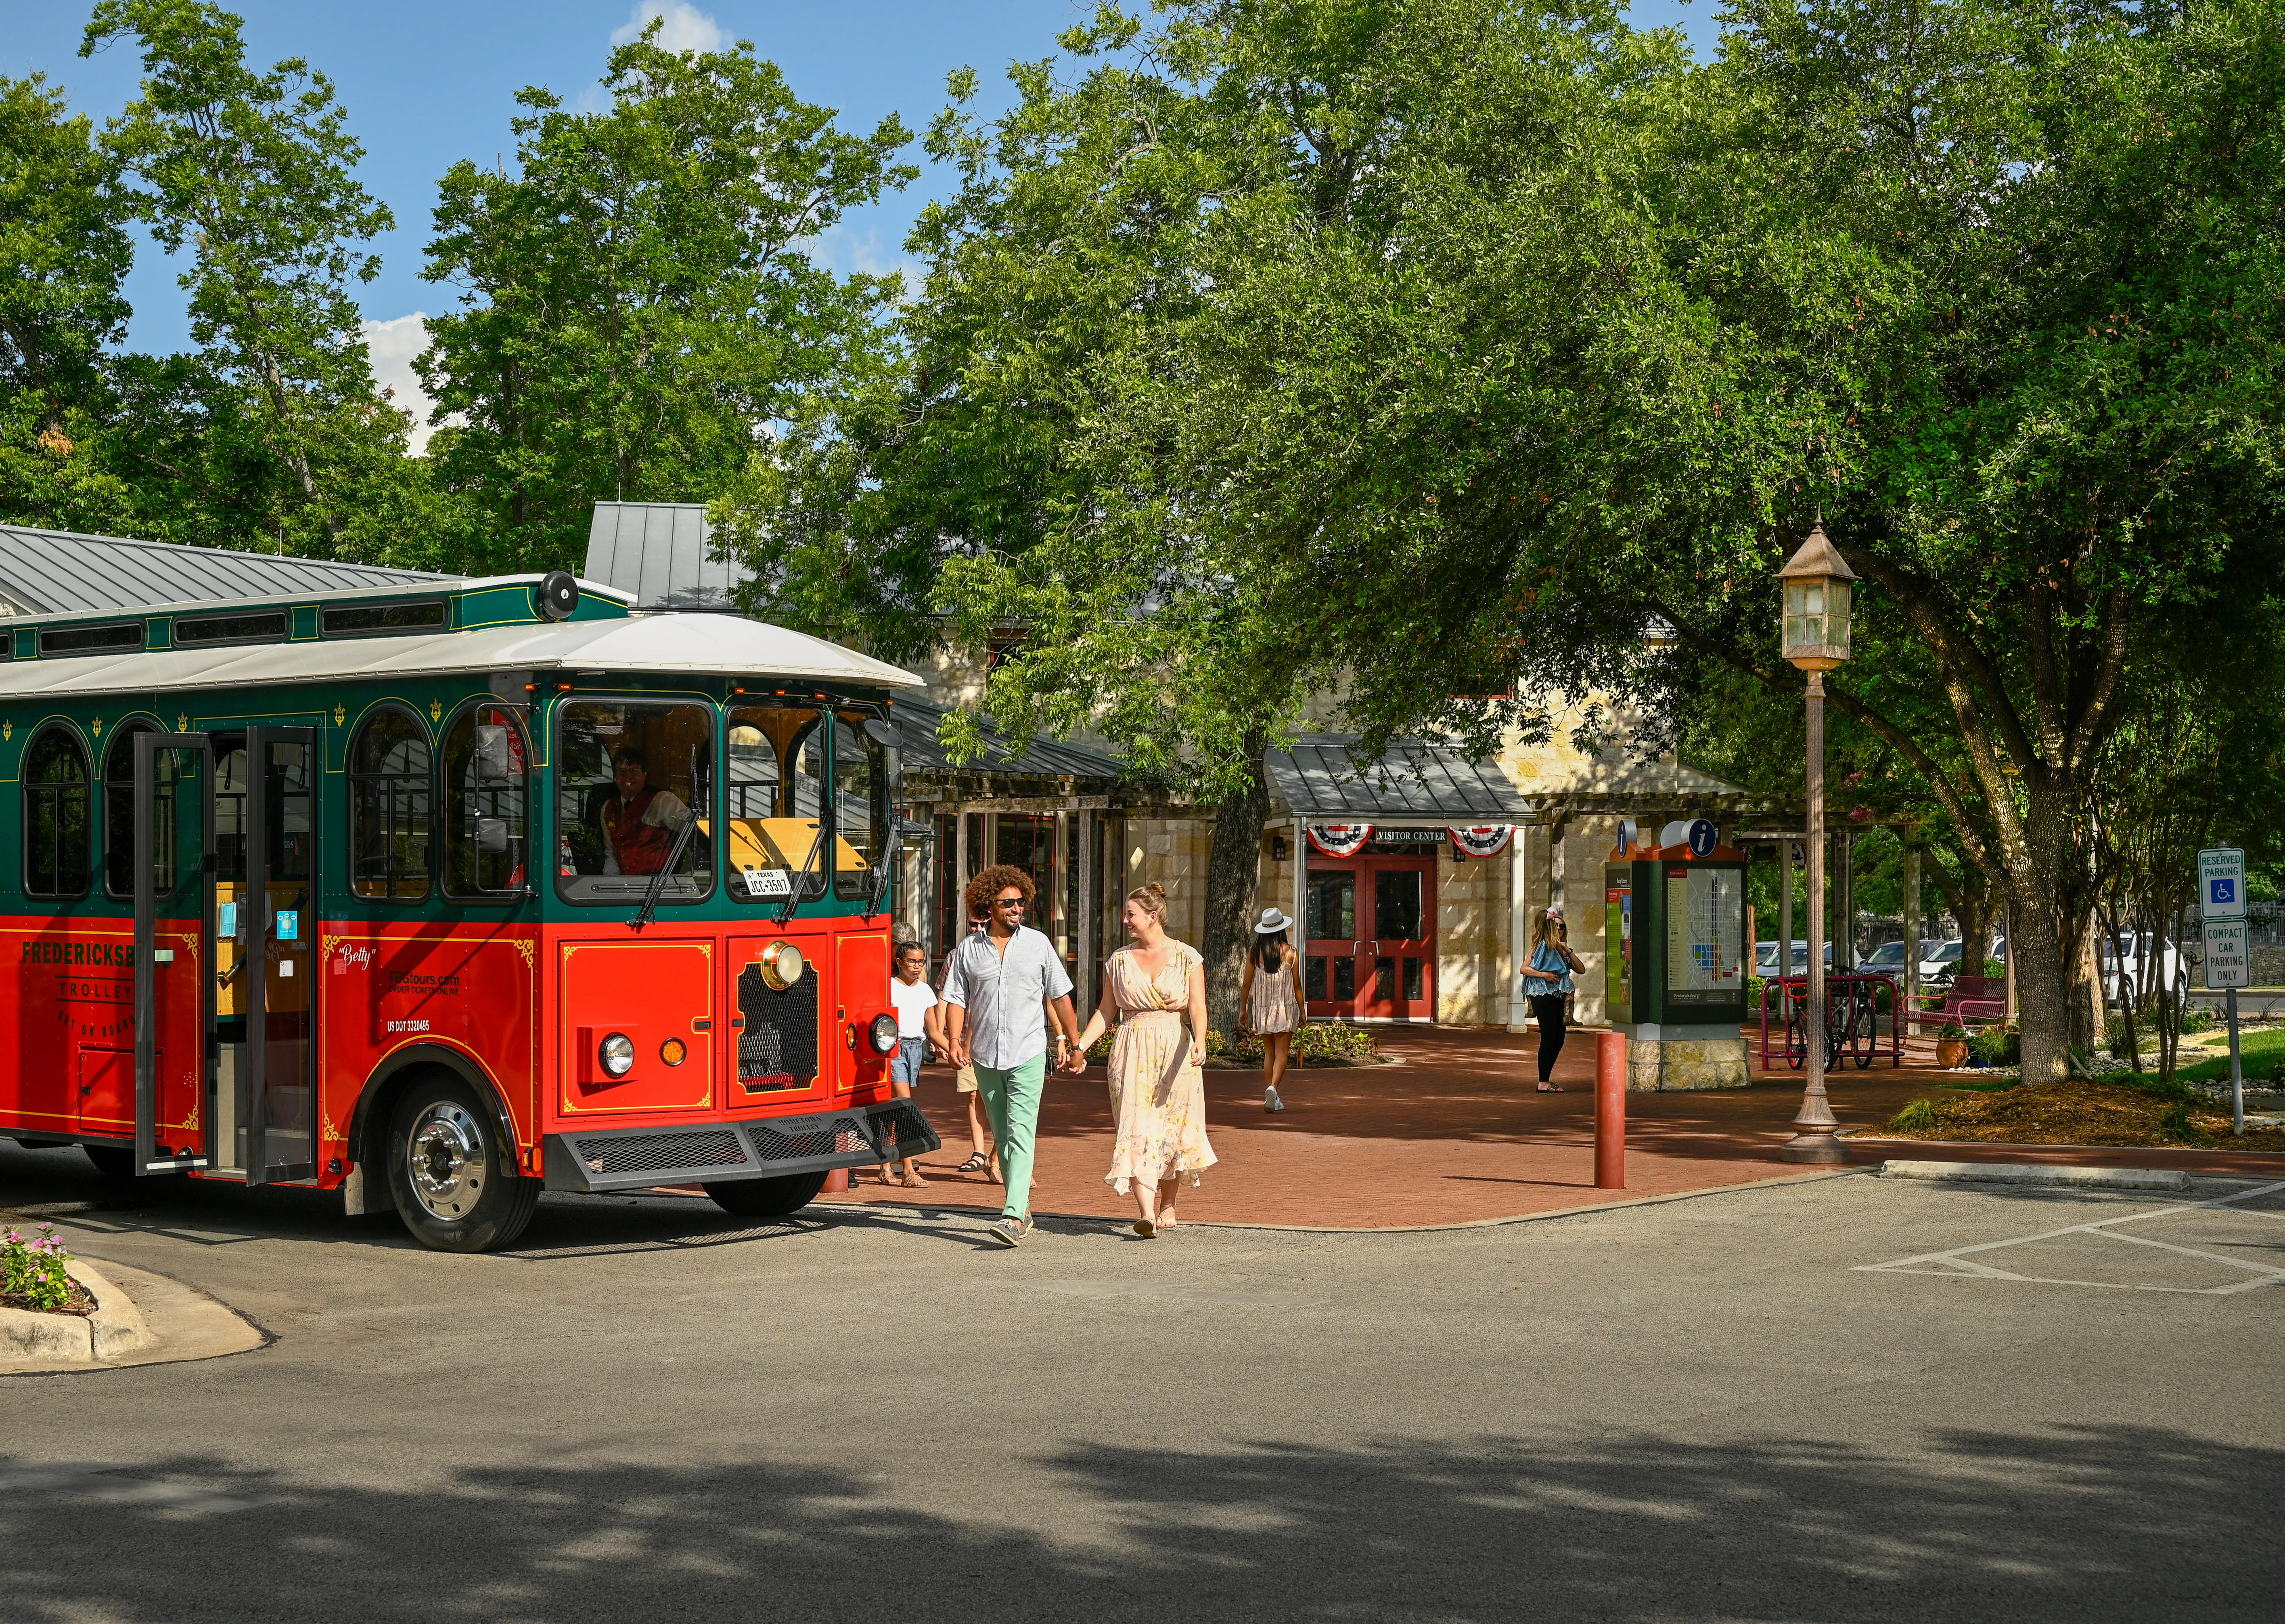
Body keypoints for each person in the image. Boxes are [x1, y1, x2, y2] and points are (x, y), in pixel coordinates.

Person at [942, 864, 1085, 1247]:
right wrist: (954, 1040)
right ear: (989, 906)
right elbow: (956, 998)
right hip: (986, 1055)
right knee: (1003, 1136)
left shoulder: (1038, 944)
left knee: (1021, 1131)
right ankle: (1022, 1207)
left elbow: (1060, 996)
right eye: (1008, 903)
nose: (1017, 908)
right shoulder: (968, 950)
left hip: (1028, 1052)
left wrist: (1075, 1044)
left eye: (1021, 902)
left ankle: (1012, 1216)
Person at [1068, 882, 1217, 1237]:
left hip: (1176, 1049)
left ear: (1153, 917)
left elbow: (1198, 1006)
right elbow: (1106, 1011)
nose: (1126, 921)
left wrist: (1201, 1041)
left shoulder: (1188, 957)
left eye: (1131, 915)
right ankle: (1146, 1213)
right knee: (1135, 1128)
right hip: (1131, 1049)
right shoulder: (1119, 961)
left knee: (1173, 1128)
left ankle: (1168, 1204)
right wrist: (1081, 1046)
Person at [934, 910, 1001, 1183]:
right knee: (974, 1095)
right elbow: (945, 996)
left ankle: (998, 1157)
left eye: (984, 924)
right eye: (974, 924)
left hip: (997, 1036)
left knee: (1002, 1099)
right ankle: (979, 1153)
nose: (978, 929)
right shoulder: (956, 955)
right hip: (963, 1038)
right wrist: (940, 1035)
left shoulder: (1003, 952)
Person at [877, 940, 933, 1188]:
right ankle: (909, 1170)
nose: (917, 966)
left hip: (915, 1049)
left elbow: (933, 1030)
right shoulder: (888, 987)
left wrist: (952, 1048)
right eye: (912, 961)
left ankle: (885, 1166)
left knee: (895, 1111)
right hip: (894, 1047)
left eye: (921, 962)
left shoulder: (926, 991)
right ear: (899, 962)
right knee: (905, 1105)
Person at [1238, 906, 1305, 1113]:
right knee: (1282, 1053)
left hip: (1263, 1010)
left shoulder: (1255, 952)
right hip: (1285, 1009)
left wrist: (1243, 1010)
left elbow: (1246, 984)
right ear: (1281, 928)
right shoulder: (1291, 953)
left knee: (1269, 1053)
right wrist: (1303, 1011)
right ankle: (1273, 1088)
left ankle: (1273, 1095)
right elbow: (1297, 986)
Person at [599, 746, 692, 876]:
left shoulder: (662, 801)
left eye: (634, 771)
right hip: (626, 883)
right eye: (622, 772)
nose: (628, 777)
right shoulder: (608, 808)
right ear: (615, 776)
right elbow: (611, 852)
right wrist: (610, 882)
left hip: (660, 882)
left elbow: (692, 829)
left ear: (645, 774)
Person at [1522, 904, 1584, 1090]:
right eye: (1555, 925)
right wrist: (1545, 975)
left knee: (1559, 1039)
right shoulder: (1543, 946)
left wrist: (1568, 951)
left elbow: (1581, 969)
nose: (1559, 929)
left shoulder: (1561, 948)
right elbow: (1525, 968)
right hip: (1544, 995)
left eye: (1562, 926)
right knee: (1549, 1037)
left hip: (1559, 996)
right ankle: (1543, 1081)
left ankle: (1546, 1079)